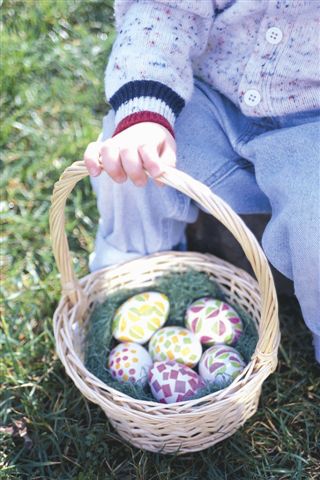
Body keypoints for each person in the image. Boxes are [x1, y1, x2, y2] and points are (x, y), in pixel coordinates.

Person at [83, 0, 320, 362]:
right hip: (209, 95)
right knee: (131, 161)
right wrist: (145, 113)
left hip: (310, 127)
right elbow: (163, 11)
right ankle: (132, 274)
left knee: (315, 220)